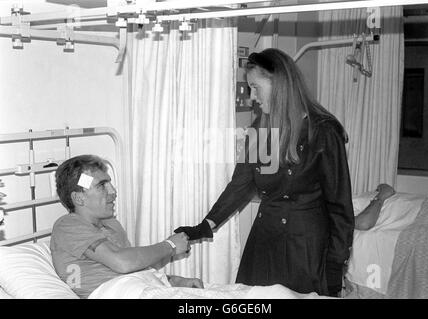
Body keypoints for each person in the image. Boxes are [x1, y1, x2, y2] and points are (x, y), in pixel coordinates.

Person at [175, 48, 355, 297]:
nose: (252, 97)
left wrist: (335, 267)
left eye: (256, 87)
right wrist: (205, 225)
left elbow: (340, 208)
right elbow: (240, 185)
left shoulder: (323, 131)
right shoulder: (260, 130)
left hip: (305, 246)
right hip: (264, 239)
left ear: (278, 82)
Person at [50, 155, 203, 298]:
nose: (113, 191)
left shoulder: (111, 224)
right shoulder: (68, 225)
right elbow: (122, 263)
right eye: (102, 185)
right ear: (79, 198)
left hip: (140, 288)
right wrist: (170, 246)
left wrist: (173, 281)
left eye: (110, 183)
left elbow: (133, 268)